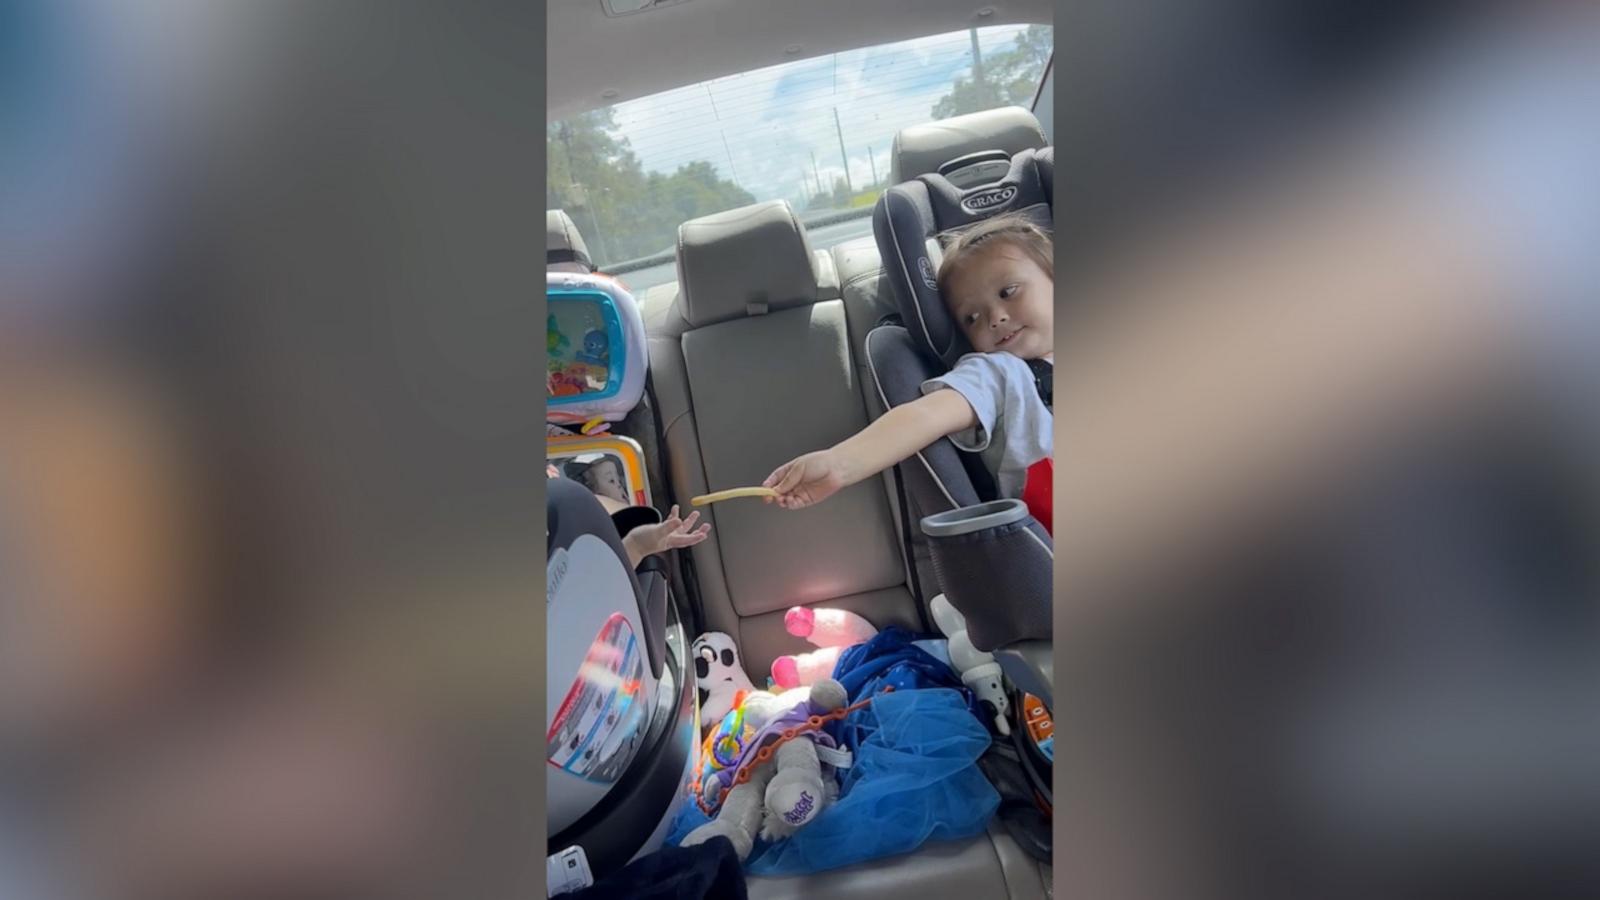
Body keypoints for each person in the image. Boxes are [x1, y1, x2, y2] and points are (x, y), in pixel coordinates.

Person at [764, 213, 1054, 532]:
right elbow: (925, 416)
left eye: (1008, 291)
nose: (995, 318)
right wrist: (838, 464)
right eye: (972, 317)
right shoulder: (998, 373)